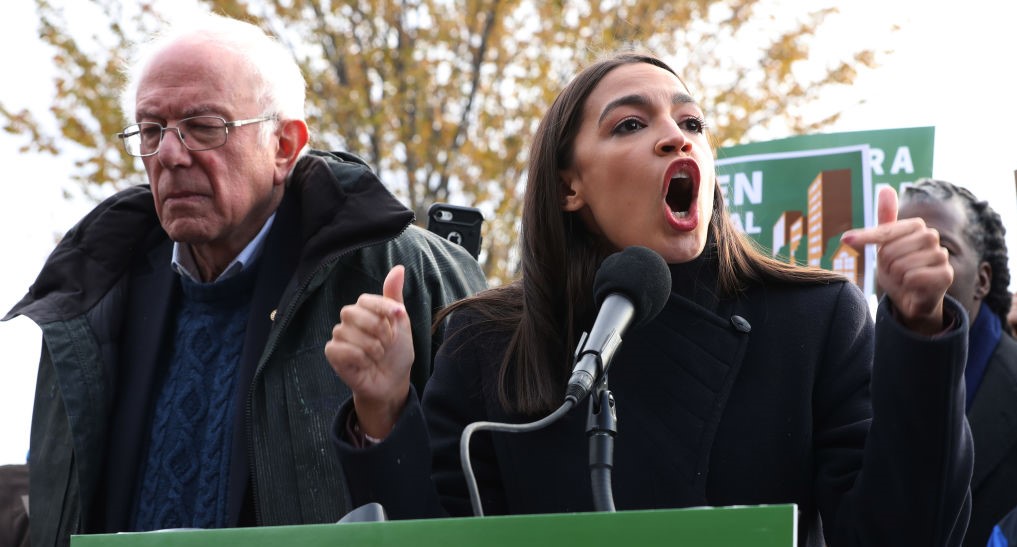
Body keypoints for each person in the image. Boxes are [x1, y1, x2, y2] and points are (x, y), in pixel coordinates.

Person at [325, 52, 973, 546]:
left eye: (690, 121)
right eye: (631, 123)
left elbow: (903, 532)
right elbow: (432, 532)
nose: (675, 135)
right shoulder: (486, 341)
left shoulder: (814, 316)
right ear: (568, 186)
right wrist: (382, 412)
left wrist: (920, 331)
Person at [2, 11, 486, 547]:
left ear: (284, 146)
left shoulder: (398, 271)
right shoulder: (88, 296)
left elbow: (484, 505)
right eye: (150, 129)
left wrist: (384, 419)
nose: (168, 153)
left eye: (204, 127)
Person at [898, 179, 1017, 547]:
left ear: (982, 280)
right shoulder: (852, 379)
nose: (913, 262)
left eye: (940, 247)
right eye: (898, 244)